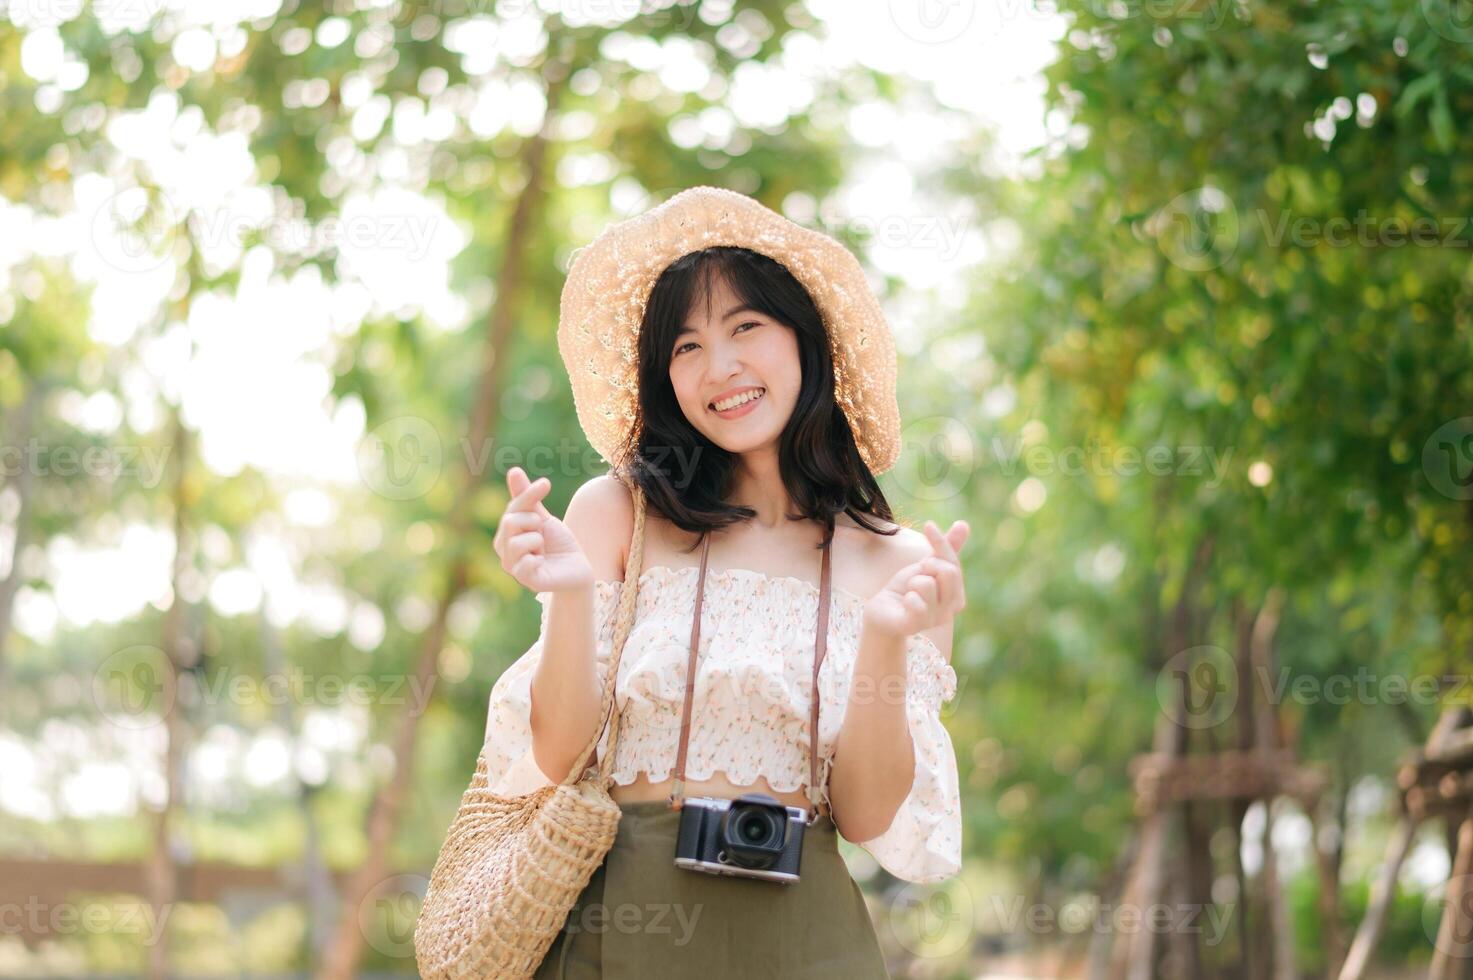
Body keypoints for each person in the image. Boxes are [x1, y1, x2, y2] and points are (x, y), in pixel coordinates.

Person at [484, 187, 968, 979]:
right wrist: (569, 596)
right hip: (621, 924)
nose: (721, 368)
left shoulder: (902, 565)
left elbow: (869, 815)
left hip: (806, 938)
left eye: (746, 326)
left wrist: (885, 637)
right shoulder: (619, 514)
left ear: (805, 340)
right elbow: (556, 748)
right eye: (685, 346)